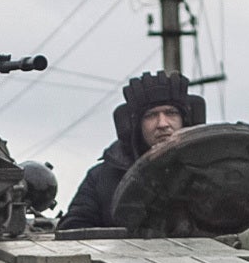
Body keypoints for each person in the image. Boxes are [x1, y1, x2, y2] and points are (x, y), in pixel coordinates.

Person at [59, 71, 206, 230]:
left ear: (185, 120)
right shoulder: (103, 178)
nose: (162, 123)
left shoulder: (214, 169)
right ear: (136, 126)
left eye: (171, 113)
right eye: (151, 115)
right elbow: (73, 230)